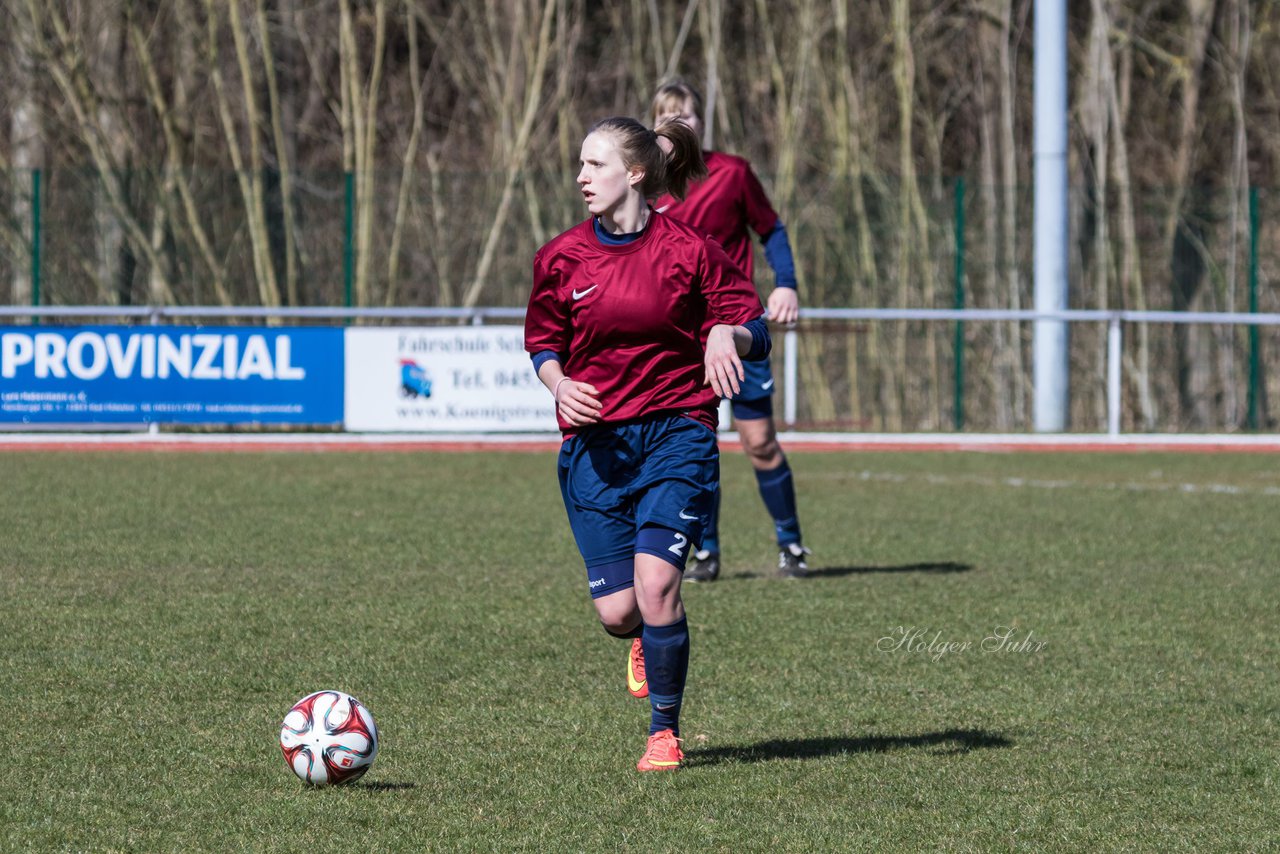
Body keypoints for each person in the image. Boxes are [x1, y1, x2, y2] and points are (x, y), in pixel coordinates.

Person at [525, 116, 771, 772]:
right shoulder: (560, 257)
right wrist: (558, 381)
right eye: (579, 165)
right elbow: (543, 341)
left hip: (676, 430)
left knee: (659, 583)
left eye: (595, 165)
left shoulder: (688, 250)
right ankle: (642, 637)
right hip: (595, 447)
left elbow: (753, 322)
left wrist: (728, 337)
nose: (581, 177)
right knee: (618, 611)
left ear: (634, 174)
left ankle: (664, 731)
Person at [650, 78, 810, 582]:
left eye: (689, 114)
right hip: (681, 340)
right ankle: (705, 552)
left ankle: (792, 546)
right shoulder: (645, 187)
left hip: (738, 331)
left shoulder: (732, 173)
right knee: (692, 445)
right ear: (655, 126)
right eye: (669, 115)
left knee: (759, 441)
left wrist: (785, 283)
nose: (681, 123)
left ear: (702, 121)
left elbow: (772, 228)